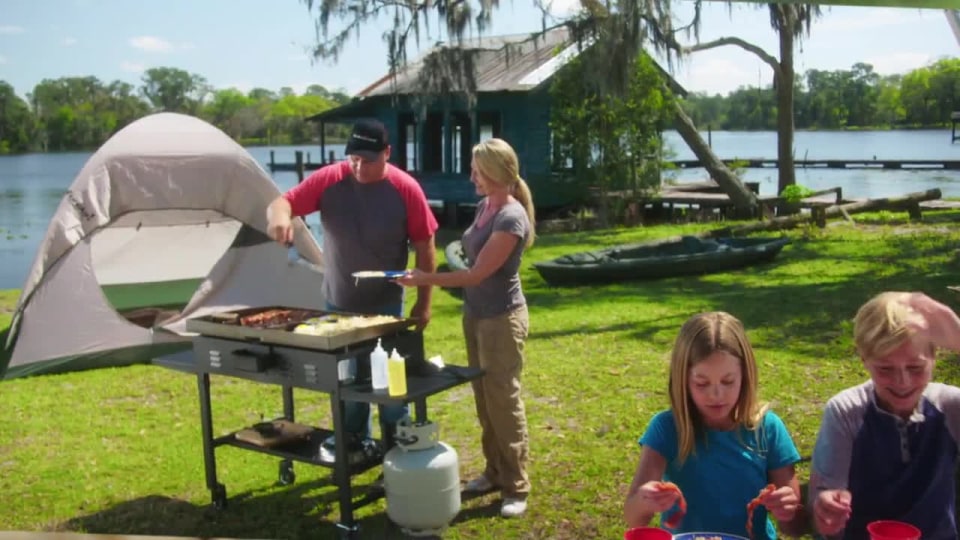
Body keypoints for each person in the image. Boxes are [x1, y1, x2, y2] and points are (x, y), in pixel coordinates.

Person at [265, 118, 438, 447]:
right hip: (338, 303)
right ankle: (354, 444)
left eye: (368, 161)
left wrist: (424, 301)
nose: (359, 168)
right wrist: (280, 219)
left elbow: (425, 245)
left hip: (386, 307)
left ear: (387, 153)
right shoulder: (330, 179)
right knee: (348, 385)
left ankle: (397, 445)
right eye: (353, 159)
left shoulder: (405, 189)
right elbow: (281, 202)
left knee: (390, 383)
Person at [395, 137, 534, 518]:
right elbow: (469, 258)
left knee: (503, 401)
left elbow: (475, 276)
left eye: (476, 170)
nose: (471, 176)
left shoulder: (510, 217)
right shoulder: (484, 206)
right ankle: (493, 471)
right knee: (482, 398)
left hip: (502, 320)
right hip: (475, 317)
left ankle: (516, 484)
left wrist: (424, 279)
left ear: (495, 172)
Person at [623, 311, 807, 539]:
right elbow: (633, 518)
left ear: (745, 376)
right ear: (683, 380)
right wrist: (645, 500)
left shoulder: (767, 429)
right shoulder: (667, 428)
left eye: (728, 381)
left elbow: (797, 528)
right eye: (702, 383)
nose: (716, 394)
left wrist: (787, 510)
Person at [810, 291, 960, 540]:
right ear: (864, 360)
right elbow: (822, 504)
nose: (903, 382)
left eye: (915, 367)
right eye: (885, 369)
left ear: (934, 358)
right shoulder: (846, 411)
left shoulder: (949, 407)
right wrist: (825, 509)